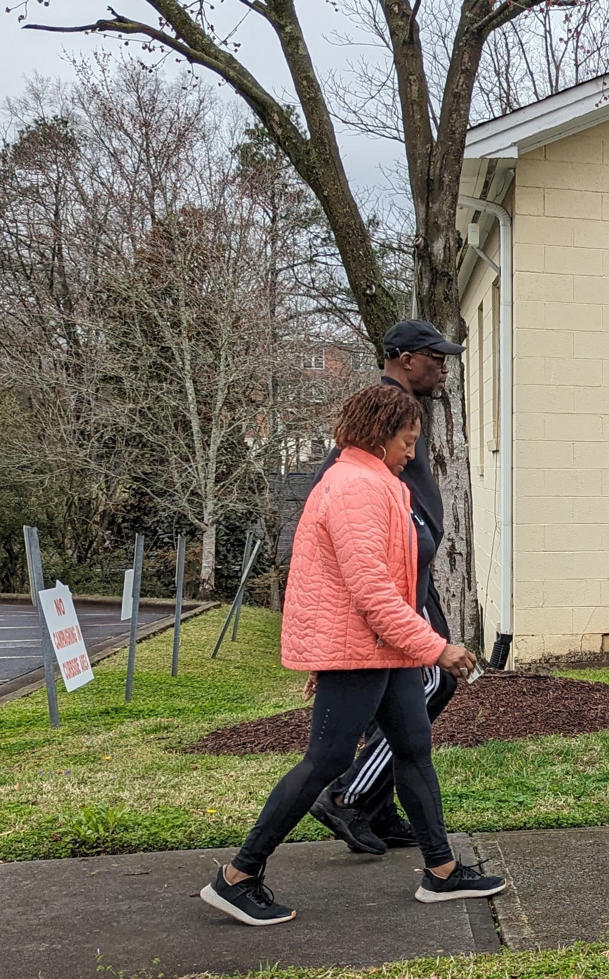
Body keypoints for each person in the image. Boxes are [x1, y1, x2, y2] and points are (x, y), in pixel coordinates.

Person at [200, 385, 504, 926]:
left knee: (412, 747)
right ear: (380, 434)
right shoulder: (355, 486)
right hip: (359, 649)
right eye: (407, 442)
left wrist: (415, 646)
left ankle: (441, 870)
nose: (412, 453)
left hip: (385, 649)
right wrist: (437, 647)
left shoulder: (375, 481)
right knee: (328, 759)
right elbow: (372, 590)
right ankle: (238, 875)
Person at [306, 320, 465, 855]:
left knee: (415, 702)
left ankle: (377, 806)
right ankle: (350, 794)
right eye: (434, 356)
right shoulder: (383, 411)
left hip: (408, 576)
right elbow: (345, 489)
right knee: (431, 684)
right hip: (394, 583)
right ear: (401, 357)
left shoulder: (403, 409)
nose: (443, 365)